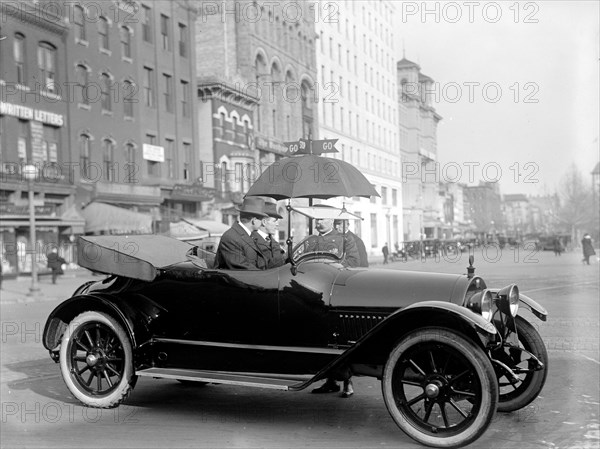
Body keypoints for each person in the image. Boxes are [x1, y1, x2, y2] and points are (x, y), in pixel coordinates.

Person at [215, 198, 269, 270]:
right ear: (254, 220)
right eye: (261, 219)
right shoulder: (231, 237)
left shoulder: (250, 235)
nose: (262, 223)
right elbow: (242, 268)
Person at [252, 202, 285, 269]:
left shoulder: (274, 243)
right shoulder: (251, 240)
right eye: (274, 221)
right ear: (264, 222)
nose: (277, 224)